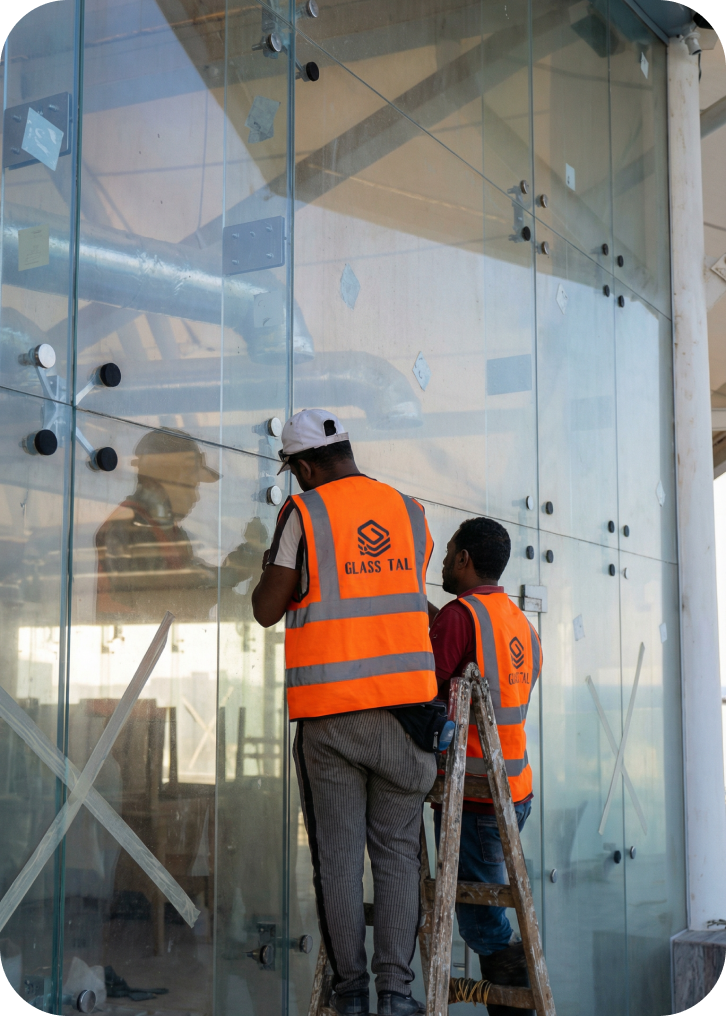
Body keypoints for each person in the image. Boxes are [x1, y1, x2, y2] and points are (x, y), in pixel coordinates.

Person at [251, 409, 438, 1016]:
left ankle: (352, 994)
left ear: (303, 466)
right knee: (398, 859)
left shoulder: (303, 513)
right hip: (409, 722)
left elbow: (266, 608)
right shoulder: (411, 513)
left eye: (295, 471)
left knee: (336, 860)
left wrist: (267, 566)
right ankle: (399, 995)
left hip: (333, 719)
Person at [428, 517, 541, 1016]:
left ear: (465, 559)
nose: (444, 561)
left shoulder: (459, 617)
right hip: (515, 790)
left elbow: (424, 691)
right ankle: (513, 985)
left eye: (449, 552)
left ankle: (513, 992)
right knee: (485, 902)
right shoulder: (519, 624)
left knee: (478, 920)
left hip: (473, 797)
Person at [95, 428, 263, 622]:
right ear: (169, 477)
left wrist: (242, 563)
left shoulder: (170, 531)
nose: (196, 496)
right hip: (132, 642)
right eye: (192, 485)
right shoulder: (128, 525)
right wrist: (235, 570)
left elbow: (190, 577)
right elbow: (172, 589)